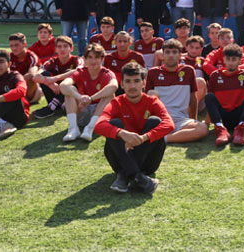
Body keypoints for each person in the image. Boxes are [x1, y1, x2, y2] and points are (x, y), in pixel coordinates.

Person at [94, 62, 173, 194]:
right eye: (128, 81)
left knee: (155, 121)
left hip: (148, 162)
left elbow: (169, 124)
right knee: (114, 123)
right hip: (121, 155)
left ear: (143, 83)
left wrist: (143, 138)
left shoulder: (153, 102)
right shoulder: (116, 103)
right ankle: (138, 177)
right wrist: (122, 133)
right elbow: (98, 125)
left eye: (136, 81)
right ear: (122, 84)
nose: (132, 86)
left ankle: (124, 176)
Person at [145, 39, 208, 143]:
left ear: (180, 55)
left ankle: (163, 139)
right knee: (151, 94)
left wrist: (194, 120)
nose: (171, 55)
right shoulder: (153, 73)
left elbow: (193, 98)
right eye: (167, 52)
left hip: (181, 120)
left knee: (202, 129)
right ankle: (164, 134)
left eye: (174, 52)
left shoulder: (188, 71)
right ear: (163, 55)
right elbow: (147, 102)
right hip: (160, 119)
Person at [61, 44, 118, 142]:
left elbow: (114, 86)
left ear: (102, 59)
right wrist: (80, 97)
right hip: (82, 109)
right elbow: (63, 85)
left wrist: (91, 99)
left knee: (110, 94)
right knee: (69, 91)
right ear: (85, 59)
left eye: (96, 57)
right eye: (90, 57)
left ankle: (90, 128)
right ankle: (73, 129)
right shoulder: (80, 72)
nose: (93, 61)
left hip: (99, 113)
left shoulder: (106, 73)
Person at [205, 44, 244, 146]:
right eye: (228, 59)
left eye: (234, 59)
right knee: (209, 96)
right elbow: (211, 103)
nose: (230, 62)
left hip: (239, 116)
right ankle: (220, 129)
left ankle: (240, 129)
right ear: (224, 60)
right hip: (222, 117)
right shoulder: (215, 75)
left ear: (239, 61)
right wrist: (207, 123)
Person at [31, 35, 82, 119]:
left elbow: (79, 71)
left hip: (71, 96)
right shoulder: (52, 61)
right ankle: (59, 104)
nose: (62, 49)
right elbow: (35, 77)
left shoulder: (77, 60)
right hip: (55, 92)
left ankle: (53, 106)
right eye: (59, 47)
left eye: (65, 46)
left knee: (71, 73)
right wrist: (50, 84)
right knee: (44, 74)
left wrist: (55, 79)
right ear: (56, 49)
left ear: (71, 48)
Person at [7, 32, 42, 105]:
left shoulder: (31, 57)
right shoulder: (9, 57)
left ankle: (22, 99)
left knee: (31, 77)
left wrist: (15, 85)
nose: (14, 48)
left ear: (24, 45)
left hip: (30, 90)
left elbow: (31, 74)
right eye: (11, 46)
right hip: (15, 86)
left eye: (16, 45)